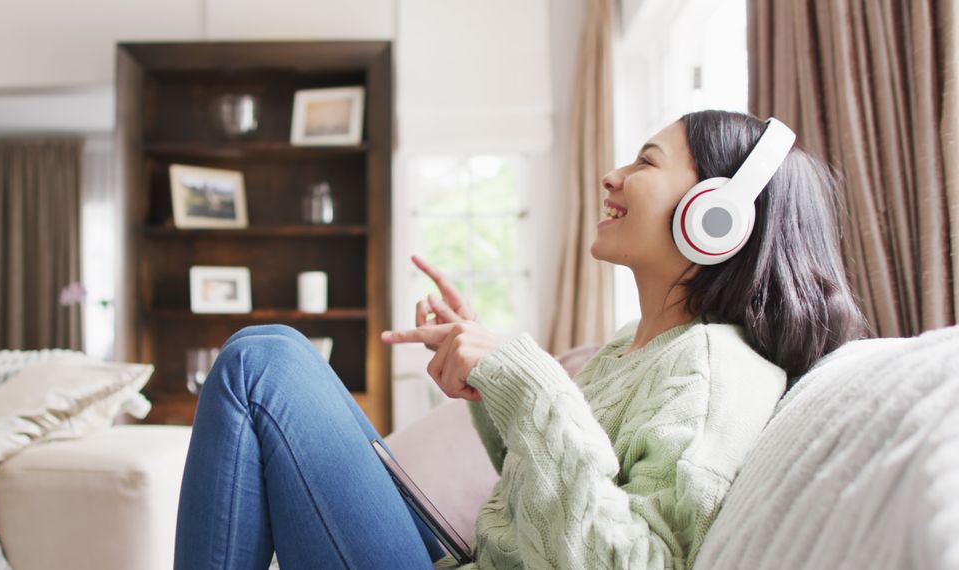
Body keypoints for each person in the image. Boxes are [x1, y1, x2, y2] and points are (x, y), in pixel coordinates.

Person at [173, 110, 867, 569]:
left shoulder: (716, 371)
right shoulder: (640, 344)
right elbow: (550, 493)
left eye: (646, 163)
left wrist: (527, 379)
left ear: (715, 217)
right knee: (268, 362)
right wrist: (488, 388)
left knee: (263, 363)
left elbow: (630, 561)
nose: (613, 176)